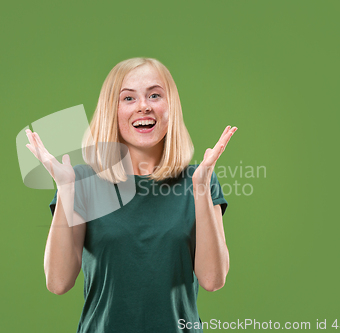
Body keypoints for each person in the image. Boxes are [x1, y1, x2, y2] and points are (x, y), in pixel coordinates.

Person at [25, 57, 238, 333]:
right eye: (128, 98)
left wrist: (200, 188)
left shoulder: (199, 180)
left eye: (154, 95)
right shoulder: (82, 182)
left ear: (170, 106)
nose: (143, 106)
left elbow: (213, 279)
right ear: (110, 111)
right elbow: (58, 282)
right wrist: (66, 189)